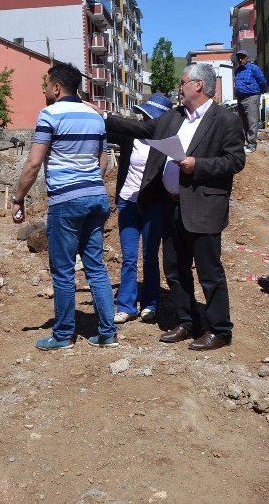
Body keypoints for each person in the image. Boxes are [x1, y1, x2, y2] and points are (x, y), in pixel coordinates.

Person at [102, 63, 245, 350]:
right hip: (170, 206)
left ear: (198, 86)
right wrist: (104, 117)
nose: (178, 88)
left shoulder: (225, 120)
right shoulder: (174, 117)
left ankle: (220, 329)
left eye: (182, 83)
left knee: (209, 271)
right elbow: (142, 128)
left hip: (203, 207)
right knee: (175, 269)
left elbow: (235, 161)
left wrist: (198, 165)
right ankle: (186, 322)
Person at [12, 63, 117, 350]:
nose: (44, 90)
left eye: (46, 84)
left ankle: (63, 335)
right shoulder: (96, 117)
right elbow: (103, 161)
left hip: (66, 201)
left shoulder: (49, 114)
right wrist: (90, 181)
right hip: (96, 196)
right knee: (96, 267)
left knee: (63, 270)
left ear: (57, 88)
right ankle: (107, 333)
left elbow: (34, 163)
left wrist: (18, 198)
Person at [109, 94, 174, 324]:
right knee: (128, 257)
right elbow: (107, 126)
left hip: (152, 205)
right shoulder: (131, 137)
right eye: (143, 115)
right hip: (128, 202)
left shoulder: (167, 143)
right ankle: (126, 306)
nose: (144, 119)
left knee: (149, 256)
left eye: (149, 116)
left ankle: (150, 304)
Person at [233, 51, 267, 153]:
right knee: (243, 122)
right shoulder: (237, 70)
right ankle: (244, 143)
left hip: (252, 97)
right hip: (240, 98)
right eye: (238, 57)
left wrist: (260, 92)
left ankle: (252, 144)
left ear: (247, 58)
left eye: (242, 57)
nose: (240, 59)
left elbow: (262, 81)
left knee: (252, 121)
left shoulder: (253, 68)